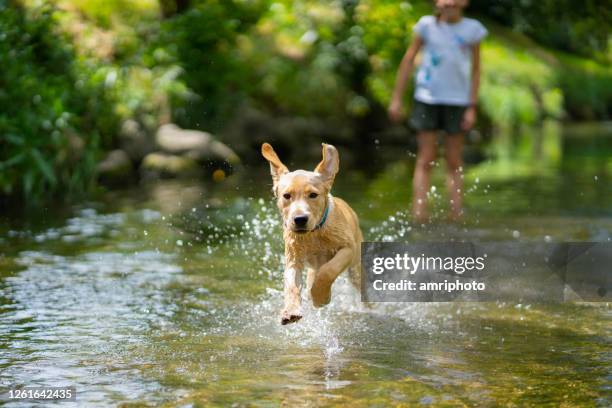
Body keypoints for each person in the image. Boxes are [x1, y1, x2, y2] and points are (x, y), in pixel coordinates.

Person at [388, 0, 487, 223]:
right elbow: (408, 60)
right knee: (426, 158)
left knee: (453, 159)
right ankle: (419, 214)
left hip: (457, 101)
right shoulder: (426, 26)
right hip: (427, 98)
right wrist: (396, 98)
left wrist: (471, 106)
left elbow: (477, 70)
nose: (449, 2)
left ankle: (456, 213)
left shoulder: (473, 29)